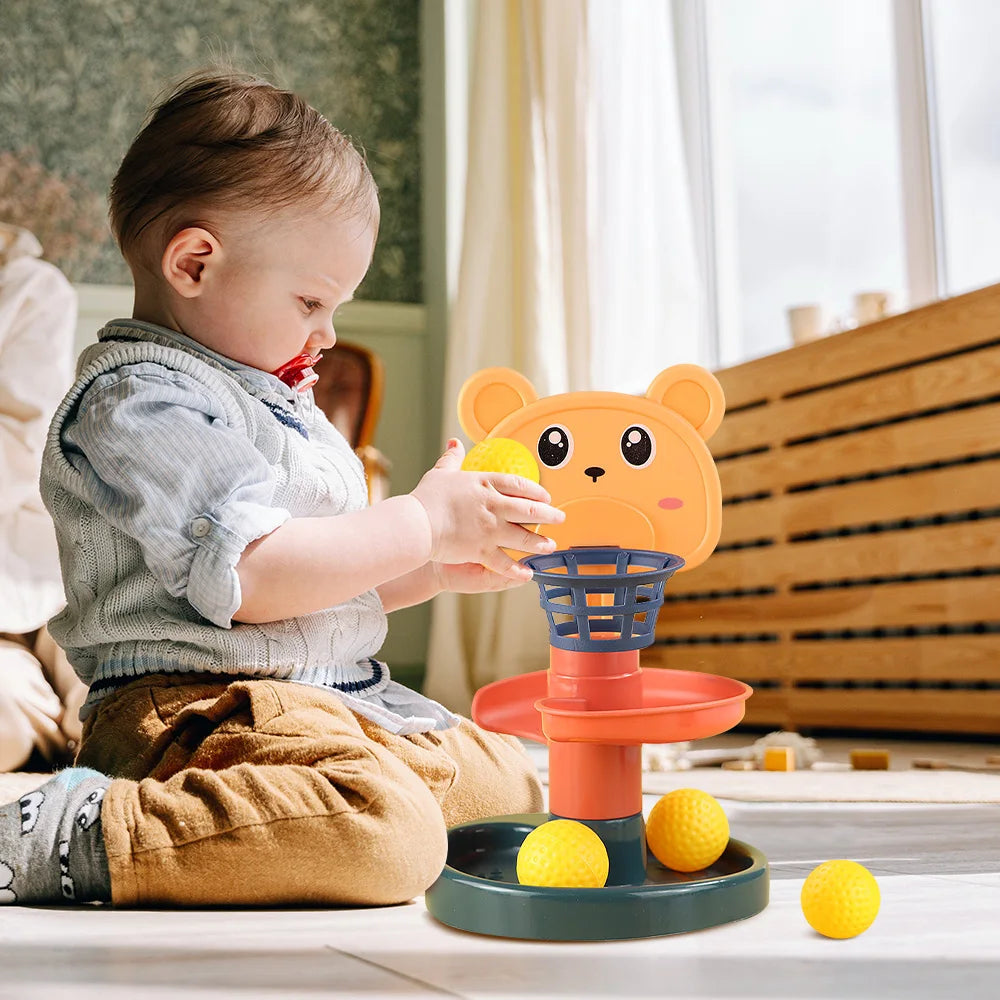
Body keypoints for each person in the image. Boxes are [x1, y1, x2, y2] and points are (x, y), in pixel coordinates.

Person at [0, 71, 562, 907]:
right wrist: (417, 521)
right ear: (194, 263)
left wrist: (433, 566)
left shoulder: (268, 394)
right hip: (196, 713)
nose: (326, 331)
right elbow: (257, 577)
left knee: (510, 792)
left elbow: (315, 584)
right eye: (310, 299)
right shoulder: (141, 400)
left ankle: (312, 810)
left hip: (315, 699)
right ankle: (72, 832)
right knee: (384, 834)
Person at [0, 223, 87, 774]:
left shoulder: (33, 289)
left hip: (47, 573)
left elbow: (23, 441)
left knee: (117, 693)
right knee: (7, 705)